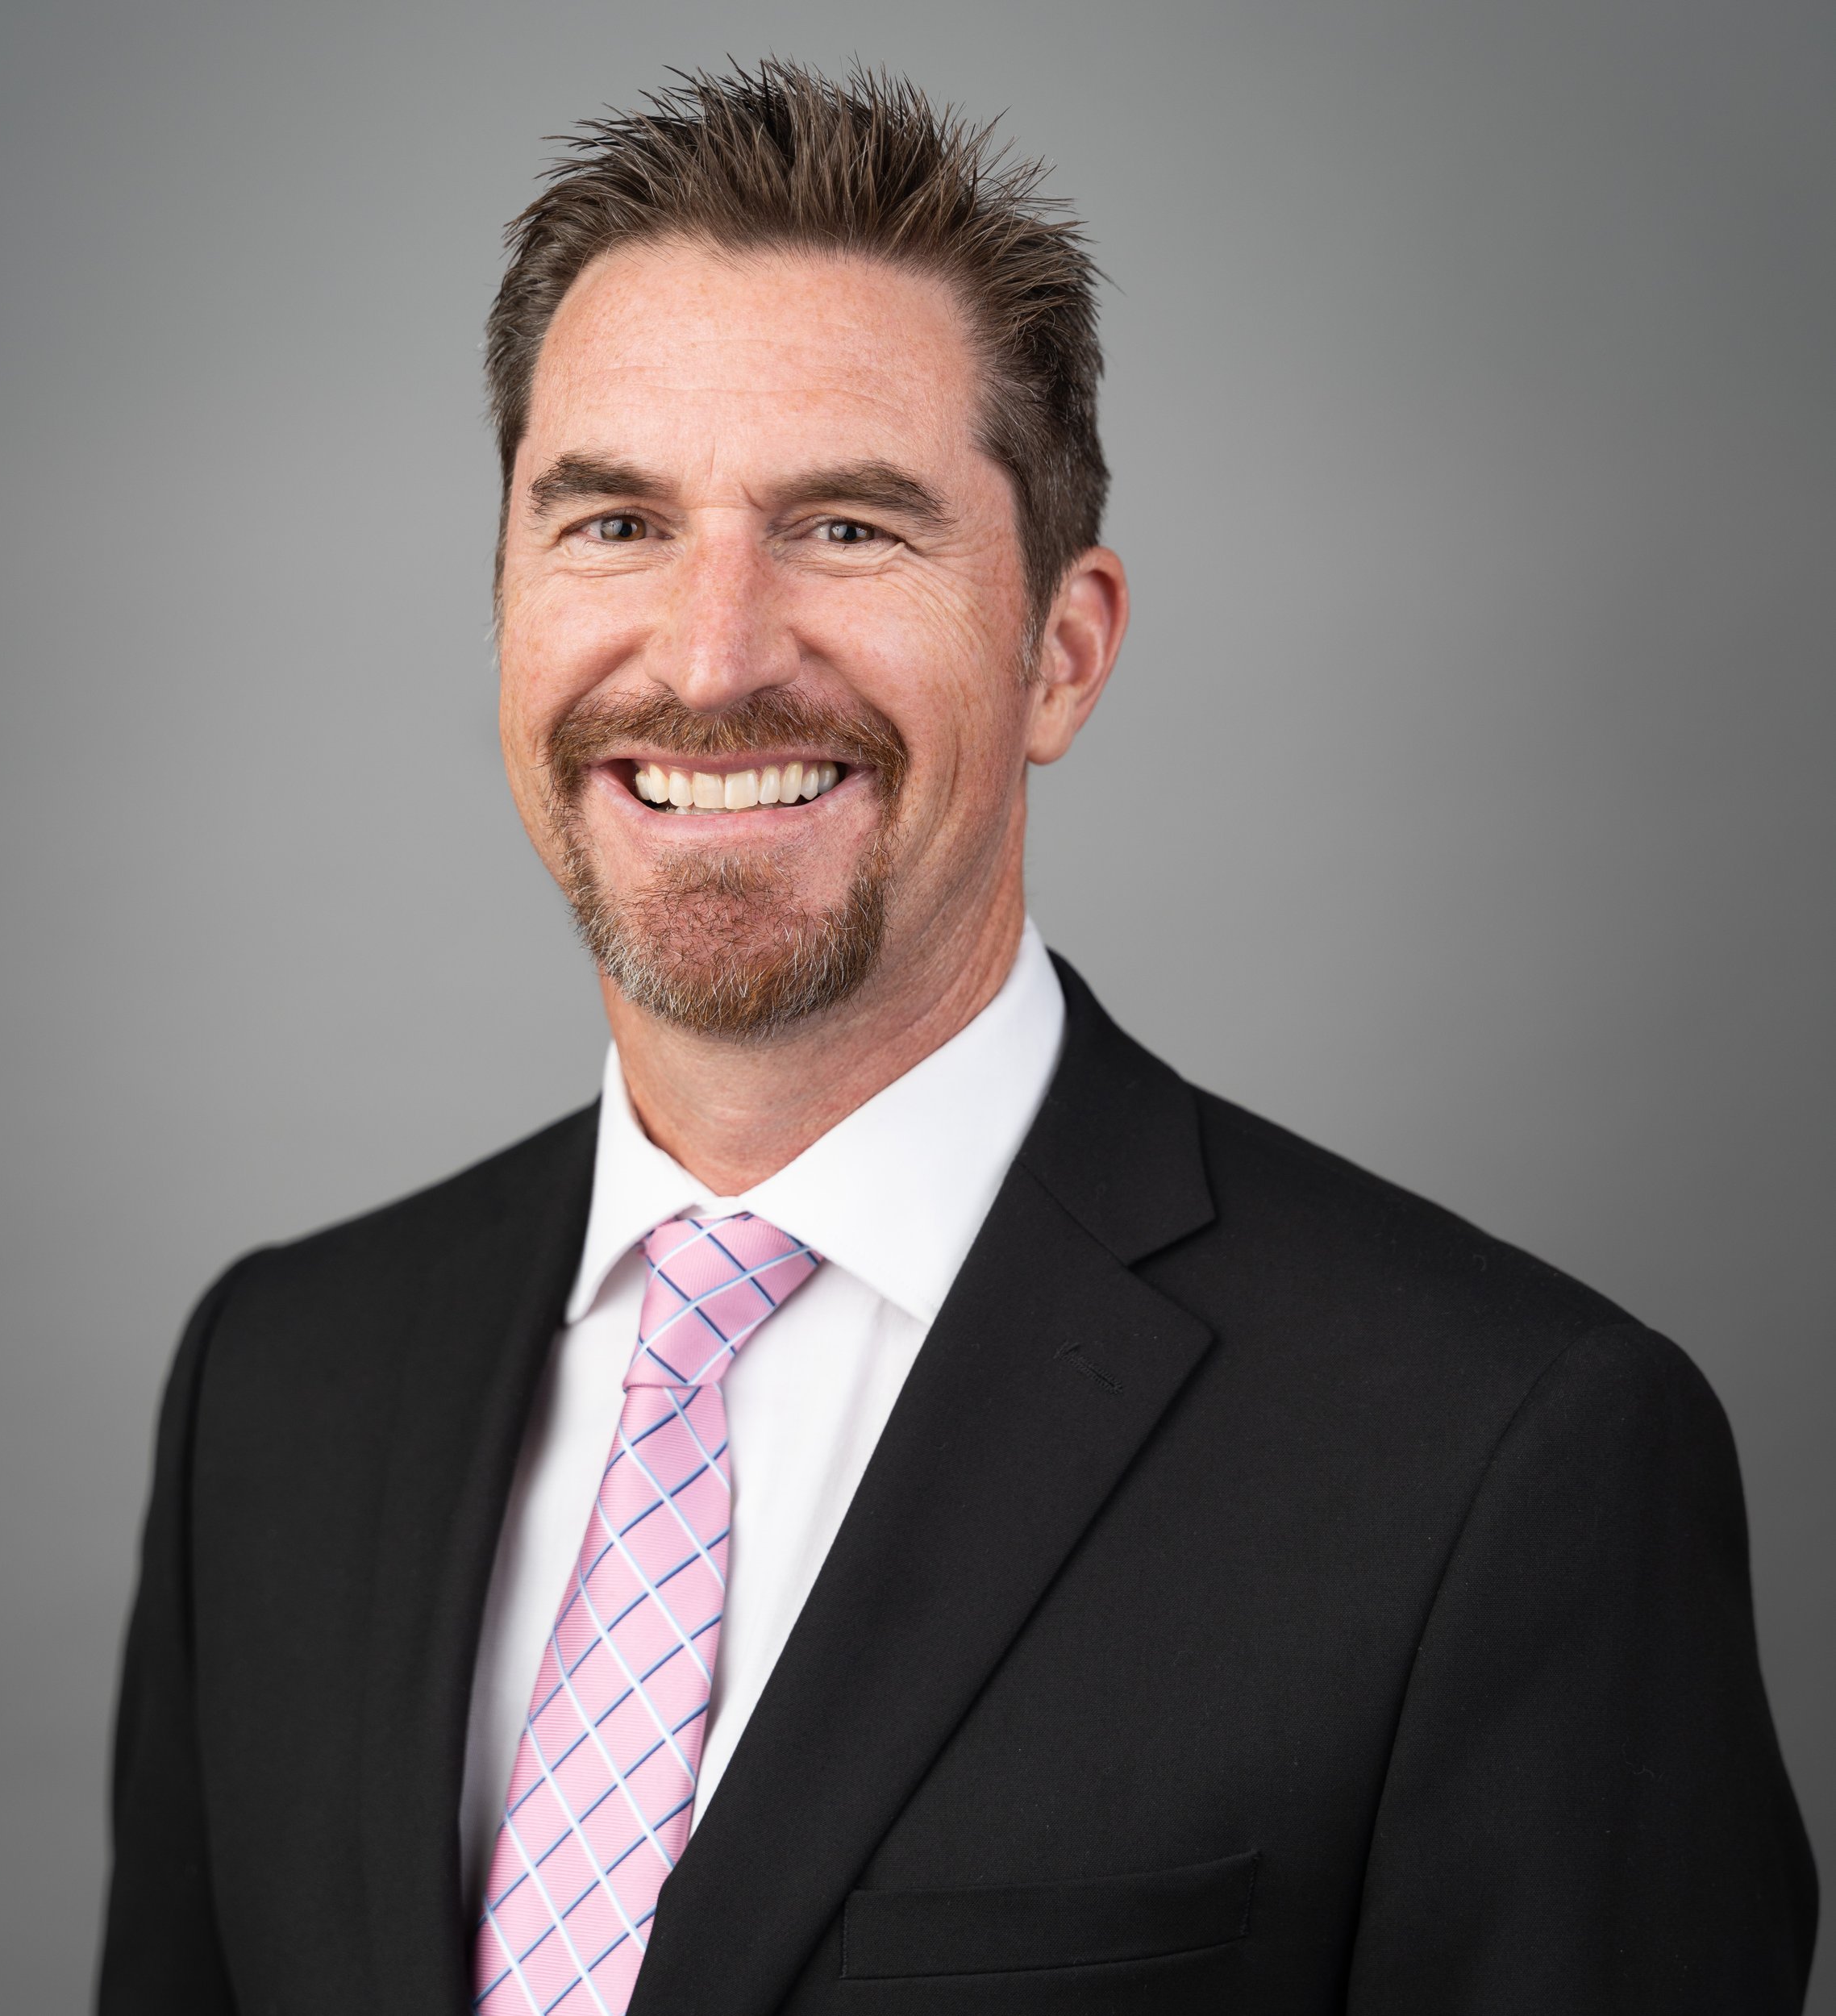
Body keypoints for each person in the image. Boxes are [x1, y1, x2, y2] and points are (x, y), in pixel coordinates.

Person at [98, 60, 1817, 2016]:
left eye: (843, 526)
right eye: (612, 523)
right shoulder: (277, 1387)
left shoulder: (1506, 1463)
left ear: (1059, 650)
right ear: (502, 602)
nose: (712, 649)